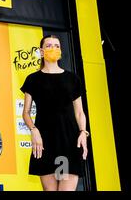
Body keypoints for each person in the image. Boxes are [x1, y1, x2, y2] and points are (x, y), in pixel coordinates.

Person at [21, 35, 89, 191]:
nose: (54, 48)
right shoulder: (33, 79)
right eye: (49, 45)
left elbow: (79, 112)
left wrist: (83, 133)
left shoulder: (72, 79)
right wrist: (33, 130)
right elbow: (26, 112)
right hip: (44, 143)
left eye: (57, 46)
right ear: (42, 51)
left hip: (68, 142)